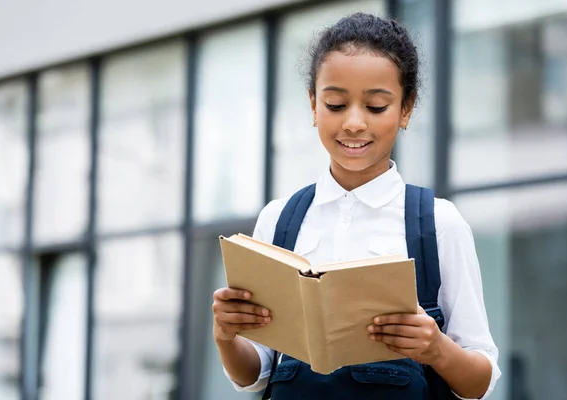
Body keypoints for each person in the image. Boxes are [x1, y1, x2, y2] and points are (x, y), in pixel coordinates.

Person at [212, 12, 500, 399]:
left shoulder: (437, 222)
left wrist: (436, 349)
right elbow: (255, 373)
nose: (353, 123)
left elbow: (478, 382)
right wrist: (226, 336)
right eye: (334, 104)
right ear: (313, 105)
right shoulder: (279, 220)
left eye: (376, 107)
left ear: (406, 109)